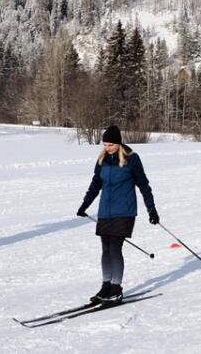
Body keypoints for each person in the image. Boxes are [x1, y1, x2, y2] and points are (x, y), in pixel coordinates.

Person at [77, 126, 159, 305]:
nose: (107, 147)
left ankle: (116, 288)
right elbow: (95, 184)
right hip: (105, 212)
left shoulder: (132, 159)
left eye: (111, 144)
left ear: (119, 143)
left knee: (115, 248)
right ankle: (106, 285)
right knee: (105, 249)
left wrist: (151, 209)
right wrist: (84, 205)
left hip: (124, 212)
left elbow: (144, 185)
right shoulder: (102, 160)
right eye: (105, 144)